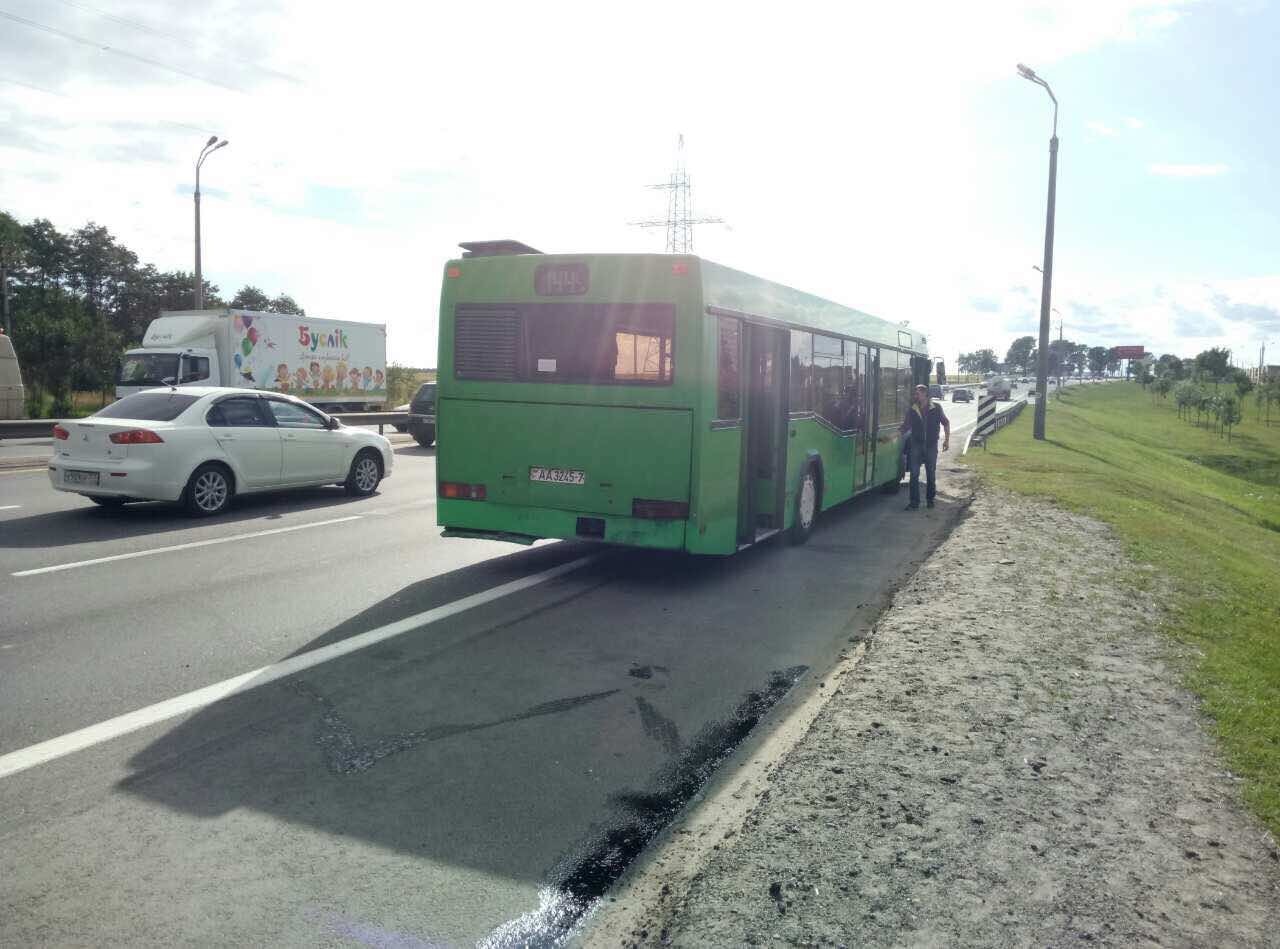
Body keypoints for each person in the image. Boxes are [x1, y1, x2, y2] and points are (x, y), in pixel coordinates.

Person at [899, 383, 950, 510]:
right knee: (914, 474)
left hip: (931, 446)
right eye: (915, 393)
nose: (915, 395)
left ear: (925, 394)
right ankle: (914, 502)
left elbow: (946, 422)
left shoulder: (936, 408)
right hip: (916, 445)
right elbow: (905, 426)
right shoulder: (913, 409)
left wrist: (947, 441)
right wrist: (895, 436)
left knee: (930, 474)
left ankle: (930, 500)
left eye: (918, 393)